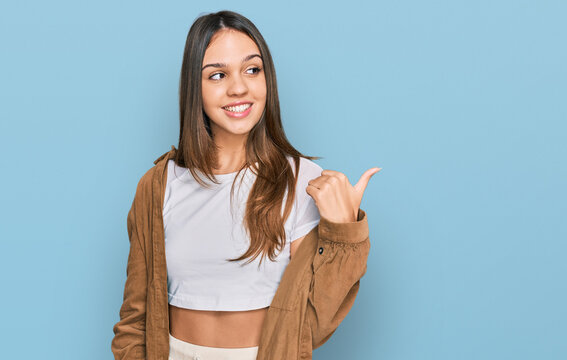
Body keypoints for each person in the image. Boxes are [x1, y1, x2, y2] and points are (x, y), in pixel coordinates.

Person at [111, 10, 380, 360]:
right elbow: (135, 318)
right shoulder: (159, 186)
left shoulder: (303, 182)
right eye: (218, 75)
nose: (239, 87)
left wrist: (342, 232)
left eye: (252, 70)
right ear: (195, 87)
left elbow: (313, 325)